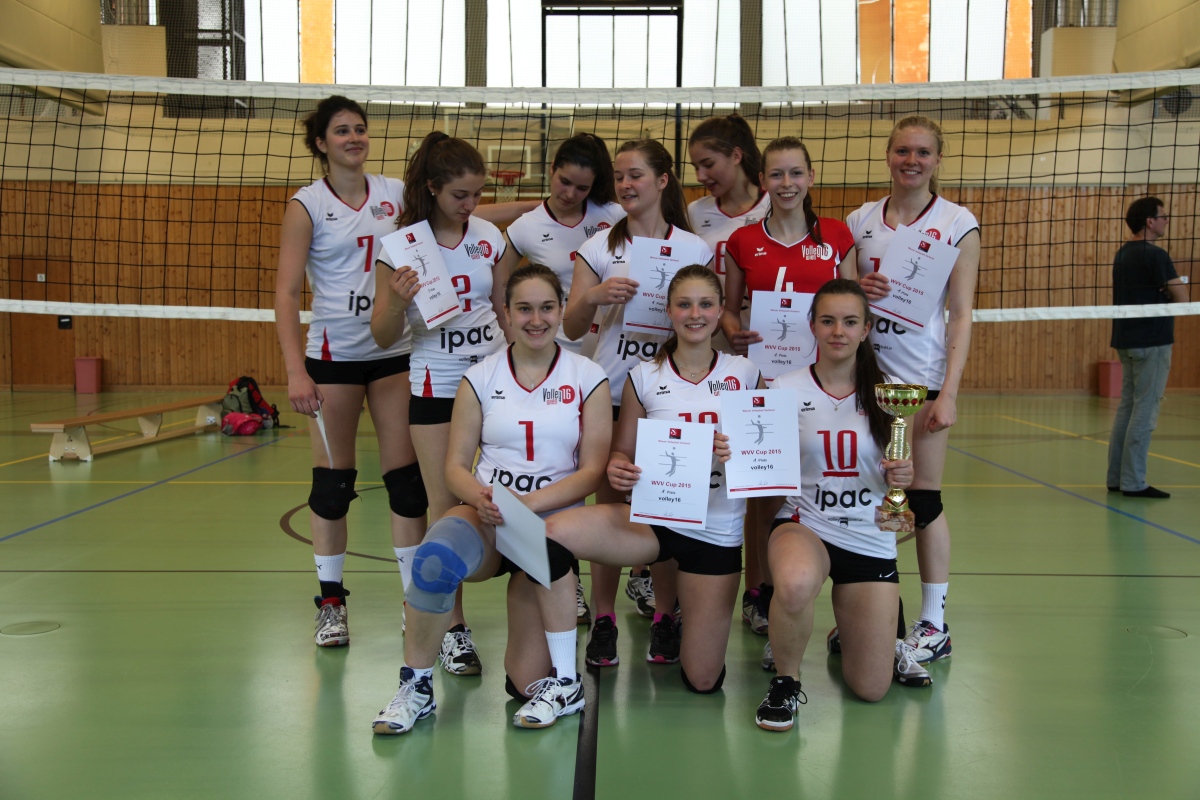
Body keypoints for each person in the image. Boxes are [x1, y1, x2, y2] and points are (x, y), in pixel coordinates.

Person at [371, 265, 611, 734]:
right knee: (434, 559)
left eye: (547, 308)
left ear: (562, 309)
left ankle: (563, 682)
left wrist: (528, 505)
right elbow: (455, 466)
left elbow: (591, 472)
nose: (536, 320)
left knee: (526, 682)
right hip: (490, 516)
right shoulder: (480, 377)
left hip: (547, 529)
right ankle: (416, 686)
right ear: (506, 312)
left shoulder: (588, 376)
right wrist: (481, 496)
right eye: (524, 309)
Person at [542, 265, 762, 692]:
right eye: (684, 304)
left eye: (705, 304)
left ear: (720, 311)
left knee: (702, 680)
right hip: (656, 522)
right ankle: (563, 668)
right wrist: (618, 467)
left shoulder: (746, 373)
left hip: (716, 532)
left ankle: (678, 618)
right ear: (669, 311)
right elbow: (622, 451)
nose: (695, 314)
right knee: (551, 533)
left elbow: (765, 454)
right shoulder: (644, 375)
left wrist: (740, 453)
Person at [274, 95, 425, 649]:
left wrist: (546, 208)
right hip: (333, 358)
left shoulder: (396, 194)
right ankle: (331, 603)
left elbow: (463, 211)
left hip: (393, 353)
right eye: (341, 130)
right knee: (333, 486)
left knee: (405, 484)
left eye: (360, 128)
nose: (354, 138)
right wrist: (296, 371)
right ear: (321, 142)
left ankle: (415, 602)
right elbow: (286, 293)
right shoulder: (308, 204)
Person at [562, 140, 713, 667]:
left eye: (637, 175)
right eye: (620, 177)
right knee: (609, 509)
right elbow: (572, 327)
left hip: (673, 396)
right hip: (611, 392)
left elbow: (707, 320)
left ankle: (665, 615)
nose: (626, 185)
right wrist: (593, 297)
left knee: (666, 509)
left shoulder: (694, 249)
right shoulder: (599, 247)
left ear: (663, 180)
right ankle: (604, 617)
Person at [755, 279, 929, 733]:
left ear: (866, 328)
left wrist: (902, 478)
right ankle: (786, 682)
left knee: (871, 688)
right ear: (812, 325)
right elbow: (761, 462)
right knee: (794, 582)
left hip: (867, 533)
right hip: (805, 522)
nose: (838, 331)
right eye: (828, 321)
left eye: (850, 322)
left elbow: (899, 474)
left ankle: (848, 635)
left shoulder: (891, 391)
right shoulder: (783, 388)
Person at [371, 132, 509, 676]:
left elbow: (503, 308)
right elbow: (383, 334)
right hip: (436, 384)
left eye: (477, 194)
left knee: (514, 487)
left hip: (493, 383)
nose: (471, 205)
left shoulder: (490, 238)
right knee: (444, 506)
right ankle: (452, 628)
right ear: (432, 189)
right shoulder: (400, 248)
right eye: (460, 195)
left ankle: (552, 591)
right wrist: (397, 302)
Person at [848, 116, 980, 665]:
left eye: (923, 152)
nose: (912, 160)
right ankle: (877, 619)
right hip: (861, 381)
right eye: (903, 150)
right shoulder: (859, 220)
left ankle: (934, 623)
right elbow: (841, 300)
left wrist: (949, 392)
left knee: (921, 500)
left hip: (918, 384)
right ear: (888, 155)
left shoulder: (957, 223)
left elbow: (961, 312)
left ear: (937, 159)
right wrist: (856, 287)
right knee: (870, 500)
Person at [721, 137, 858, 641]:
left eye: (795, 173)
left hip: (830, 385)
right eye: (776, 174)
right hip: (768, 385)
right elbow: (729, 310)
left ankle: (852, 598)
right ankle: (760, 592)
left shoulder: (837, 236)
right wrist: (734, 331)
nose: (786, 184)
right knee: (763, 494)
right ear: (762, 181)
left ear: (811, 177)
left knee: (834, 485)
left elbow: (852, 303)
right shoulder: (741, 241)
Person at [498, 133, 624, 624]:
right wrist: (513, 336)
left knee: (606, 470)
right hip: (553, 358)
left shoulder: (612, 217)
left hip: (606, 359)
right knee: (564, 467)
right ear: (551, 172)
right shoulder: (527, 226)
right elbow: (500, 284)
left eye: (582, 187)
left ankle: (631, 573)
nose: (570, 194)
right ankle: (566, 577)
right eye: (564, 182)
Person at [687, 114, 774, 633]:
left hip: (764, 361)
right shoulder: (696, 213)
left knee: (757, 485)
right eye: (695, 167)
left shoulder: (775, 204)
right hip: (703, 360)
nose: (701, 176)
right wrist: (724, 321)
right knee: (705, 479)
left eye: (709, 163)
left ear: (737, 156)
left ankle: (759, 591)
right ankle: (681, 587)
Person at [1107, 197, 1189, 498]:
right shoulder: (1155, 255)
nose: (1166, 221)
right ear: (1149, 221)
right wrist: (1167, 291)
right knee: (1145, 409)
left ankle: (1117, 478)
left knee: (1127, 408)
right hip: (1152, 341)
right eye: (1163, 216)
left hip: (1126, 340)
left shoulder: (1123, 254)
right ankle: (1134, 482)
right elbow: (1183, 297)